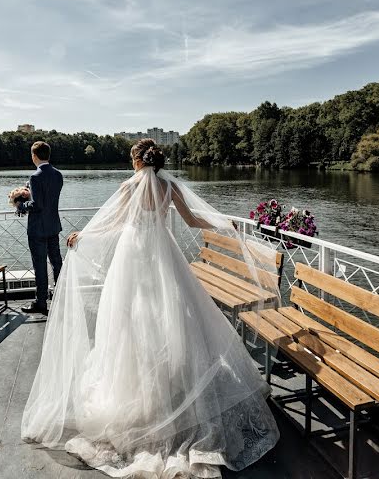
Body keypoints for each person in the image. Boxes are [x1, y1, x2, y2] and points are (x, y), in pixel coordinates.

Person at [22, 139, 280, 478]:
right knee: (171, 317)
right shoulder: (169, 185)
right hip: (163, 255)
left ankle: (141, 392)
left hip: (133, 257)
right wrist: (221, 222)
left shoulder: (129, 185)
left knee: (130, 320)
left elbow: (111, 221)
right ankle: (174, 386)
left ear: (137, 160)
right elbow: (190, 220)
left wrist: (81, 234)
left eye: (131, 158)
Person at [18, 141, 63, 315]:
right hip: (53, 225)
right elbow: (48, 199)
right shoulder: (58, 175)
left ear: (34, 156)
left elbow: (37, 204)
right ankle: (60, 296)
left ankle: (41, 302)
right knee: (57, 262)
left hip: (37, 229)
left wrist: (21, 204)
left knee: (40, 266)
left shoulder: (35, 177)